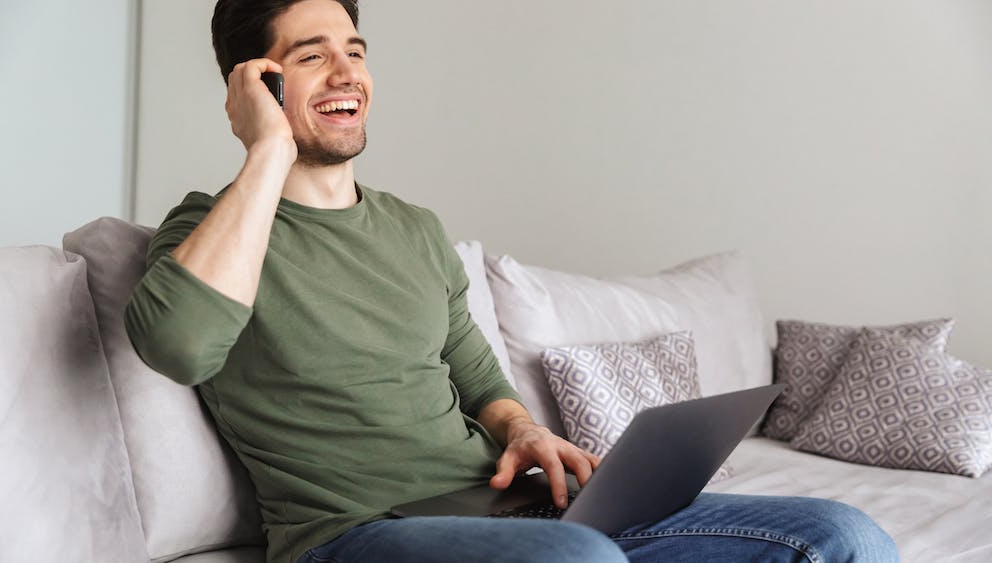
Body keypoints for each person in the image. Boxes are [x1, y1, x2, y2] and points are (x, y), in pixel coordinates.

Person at [124, 1, 900, 561]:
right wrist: (265, 153)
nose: (346, 71)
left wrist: (523, 431)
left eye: (355, 49)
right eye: (310, 54)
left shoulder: (414, 229)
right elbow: (181, 347)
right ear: (253, 84)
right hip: (356, 534)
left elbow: (477, 377)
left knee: (842, 533)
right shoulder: (207, 228)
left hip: (503, 509)